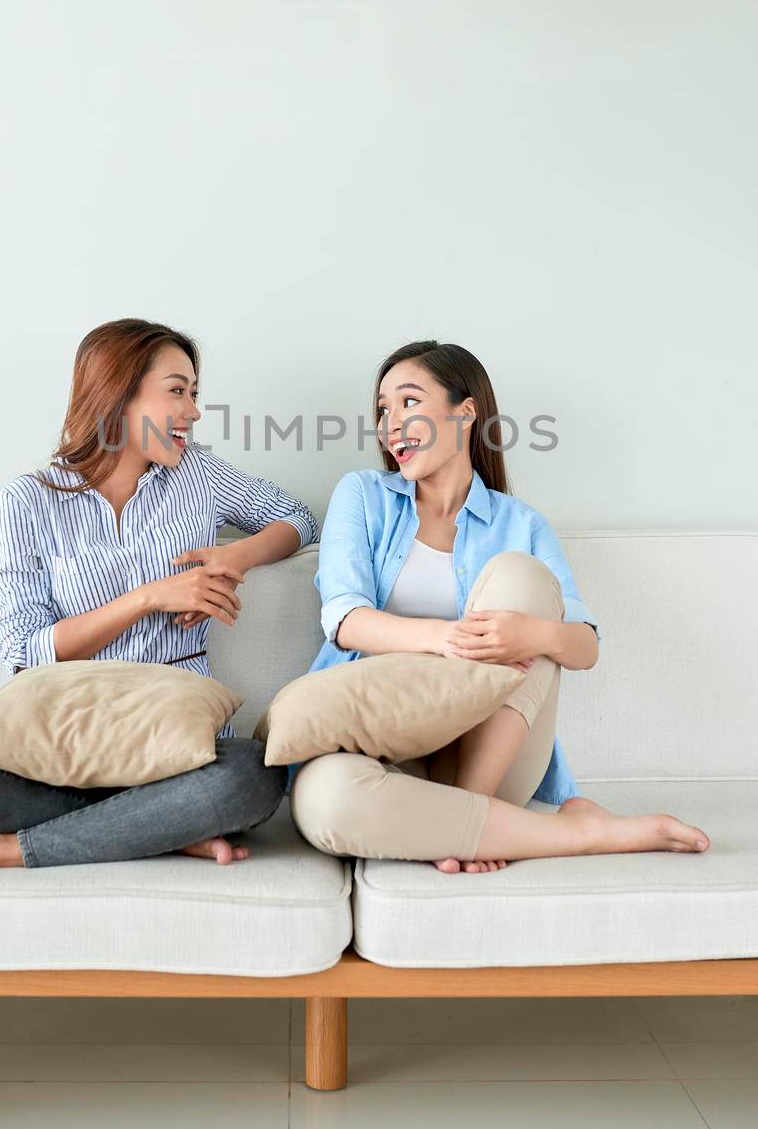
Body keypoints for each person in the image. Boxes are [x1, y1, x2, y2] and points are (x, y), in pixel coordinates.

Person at [0, 318, 319, 872]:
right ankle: (156, 826)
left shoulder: (198, 474)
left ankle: (11, 846)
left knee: (253, 775)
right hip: (63, 738)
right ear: (118, 392)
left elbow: (295, 517)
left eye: (195, 394)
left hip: (174, 742)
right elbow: (27, 652)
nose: (194, 411)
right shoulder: (26, 501)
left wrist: (232, 556)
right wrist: (148, 597)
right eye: (178, 391)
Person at [289, 339, 711, 873]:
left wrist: (531, 636)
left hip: (488, 755)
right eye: (382, 409)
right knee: (326, 802)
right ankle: (568, 831)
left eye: (409, 402)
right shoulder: (363, 495)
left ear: (465, 413)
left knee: (521, 576)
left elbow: (584, 646)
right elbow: (345, 619)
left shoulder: (521, 524)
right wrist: (446, 638)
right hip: (384, 748)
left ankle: (472, 808)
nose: (390, 423)